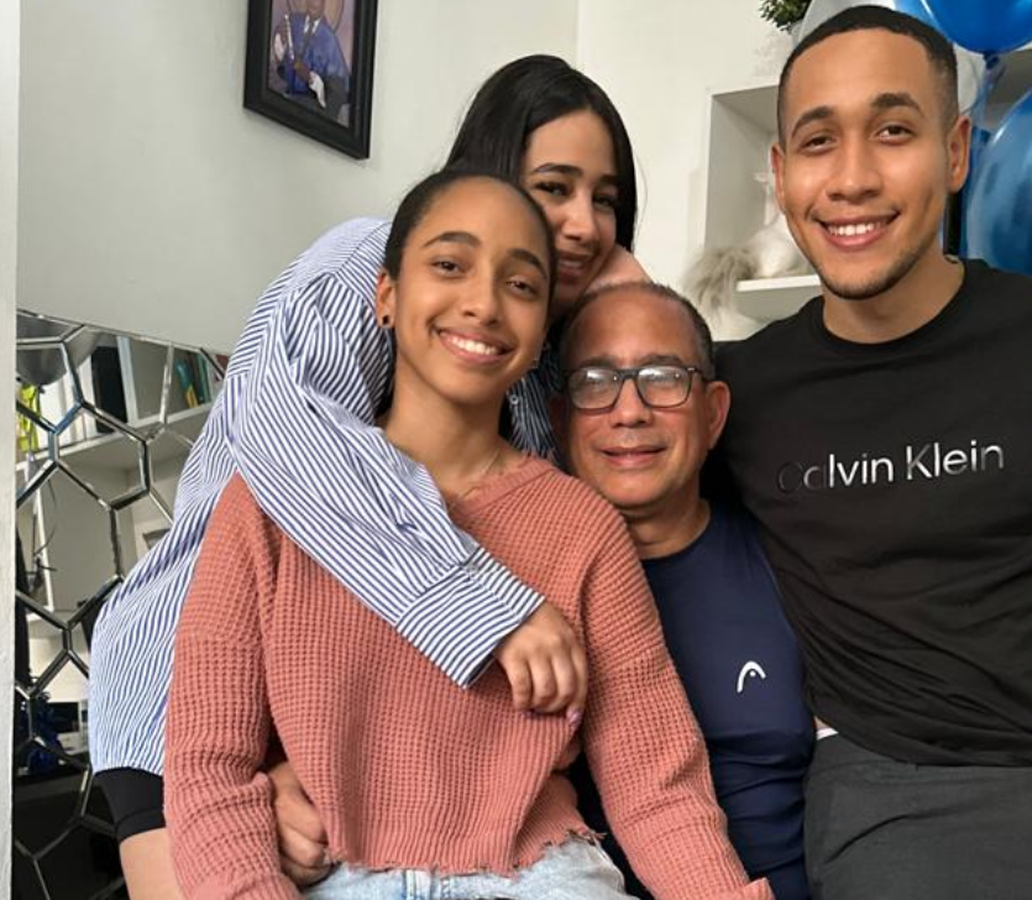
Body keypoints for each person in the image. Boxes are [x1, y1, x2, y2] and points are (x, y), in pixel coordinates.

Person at [90, 55, 645, 900]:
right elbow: (288, 443)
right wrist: (492, 608)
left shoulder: (525, 376)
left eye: (605, 200)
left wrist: (631, 309)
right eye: (553, 187)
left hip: (336, 740)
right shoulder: (364, 260)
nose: (582, 224)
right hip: (178, 695)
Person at [164, 168, 772, 900]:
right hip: (335, 878)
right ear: (386, 295)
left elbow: (656, 783)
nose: (483, 304)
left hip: (542, 877)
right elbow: (209, 765)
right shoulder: (267, 502)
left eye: (520, 285)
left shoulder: (581, 526)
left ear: (540, 332)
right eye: (450, 265)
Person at [717, 7, 1032, 899]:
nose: (852, 179)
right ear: (781, 175)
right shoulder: (737, 391)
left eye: (893, 131)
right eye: (819, 142)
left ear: (955, 151)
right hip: (888, 804)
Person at [557, 282, 814, 900]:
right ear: (559, 418)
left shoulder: (796, 562)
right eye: (596, 381)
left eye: (663, 377)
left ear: (713, 412)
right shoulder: (507, 590)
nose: (629, 411)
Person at [272, 0, 350, 119]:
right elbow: (280, 63)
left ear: (324, 3)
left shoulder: (329, 39)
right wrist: (281, 42)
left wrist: (309, 77)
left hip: (309, 108)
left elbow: (337, 91)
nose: (313, 3)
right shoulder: (294, 22)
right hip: (284, 100)